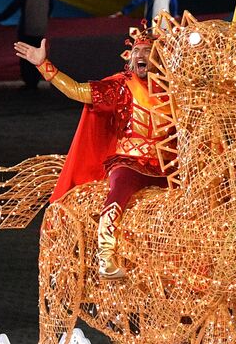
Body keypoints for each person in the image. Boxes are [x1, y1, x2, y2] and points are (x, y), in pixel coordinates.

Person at [13, 24, 170, 277]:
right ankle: (105, 255)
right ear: (130, 58)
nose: (141, 55)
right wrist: (43, 65)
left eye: (148, 51)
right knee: (118, 191)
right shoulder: (120, 87)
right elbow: (77, 91)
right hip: (129, 163)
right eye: (137, 51)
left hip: (164, 168)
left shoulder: (173, 93)